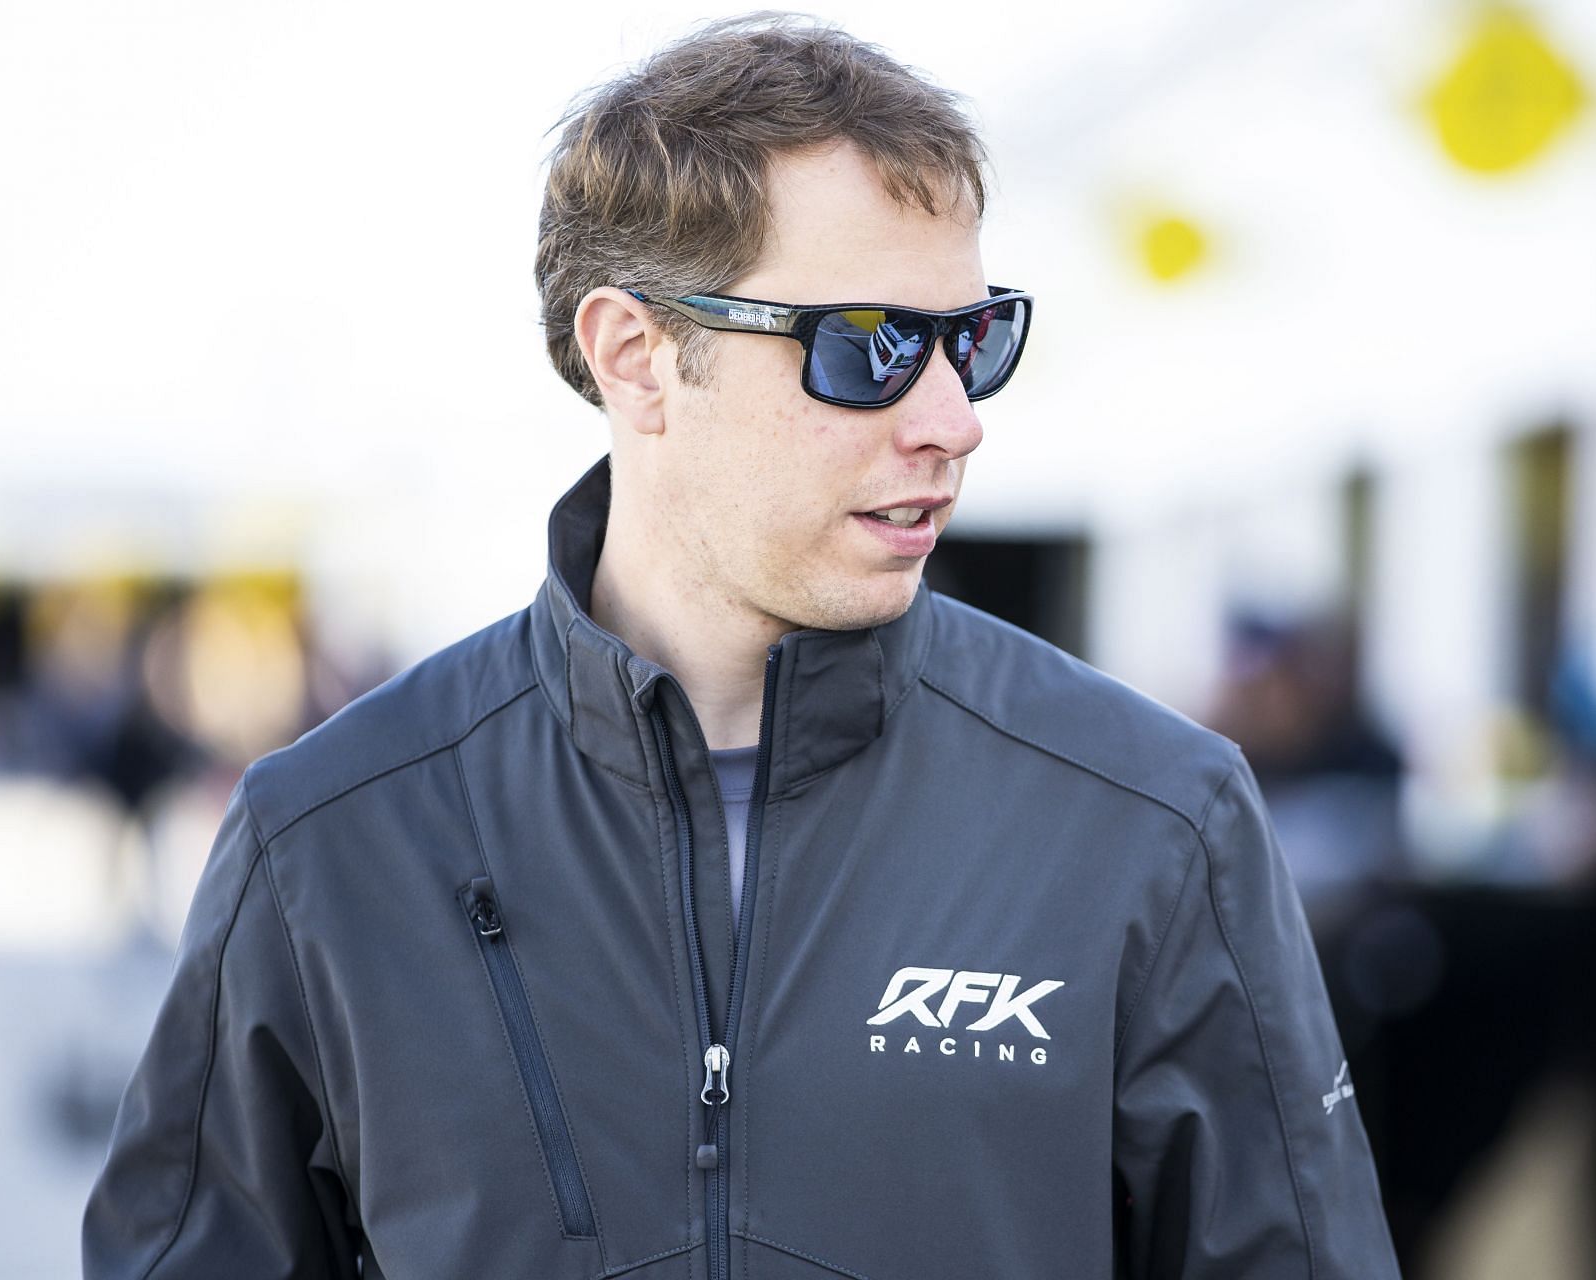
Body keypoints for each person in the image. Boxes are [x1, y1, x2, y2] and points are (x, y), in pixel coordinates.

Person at [82, 15, 1397, 1278]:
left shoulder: (1151, 818)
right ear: (638, 358)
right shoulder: (332, 838)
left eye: (972, 339)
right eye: (871, 347)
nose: (952, 418)